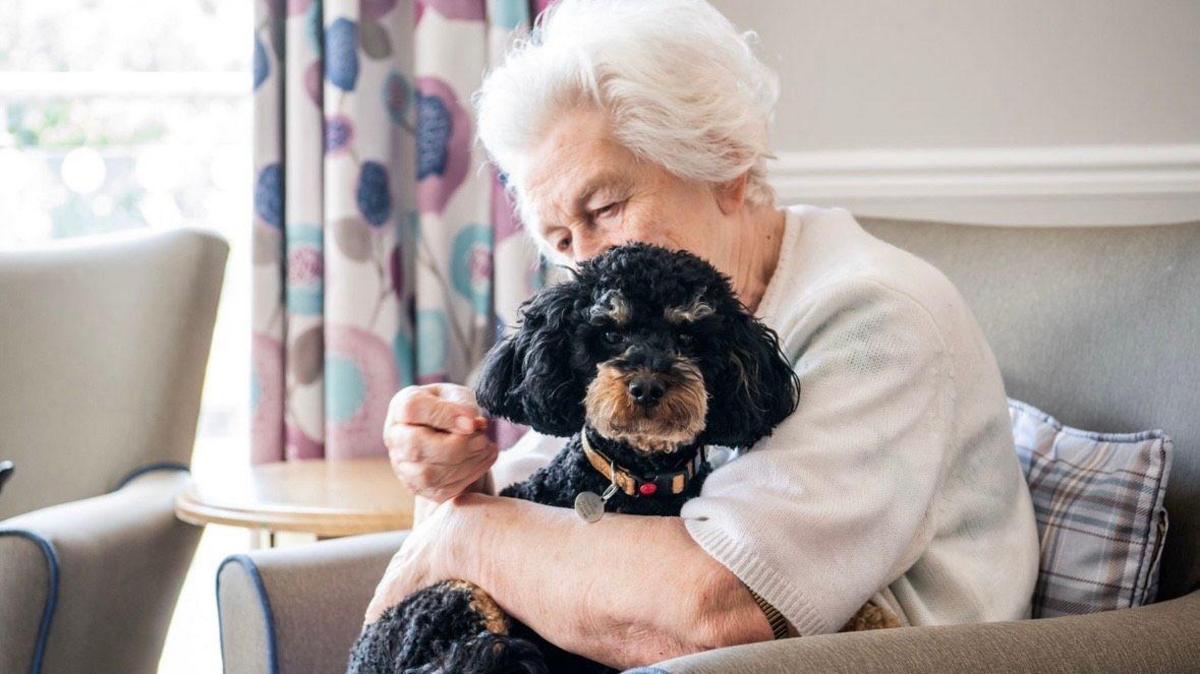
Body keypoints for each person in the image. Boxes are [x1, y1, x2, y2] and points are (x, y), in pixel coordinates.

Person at [365, 0, 1039, 668]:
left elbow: (716, 612)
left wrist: (466, 538)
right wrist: (454, 475)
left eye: (606, 209)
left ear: (724, 161)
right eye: (563, 239)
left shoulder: (875, 315)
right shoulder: (628, 335)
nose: (593, 264)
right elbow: (538, 516)